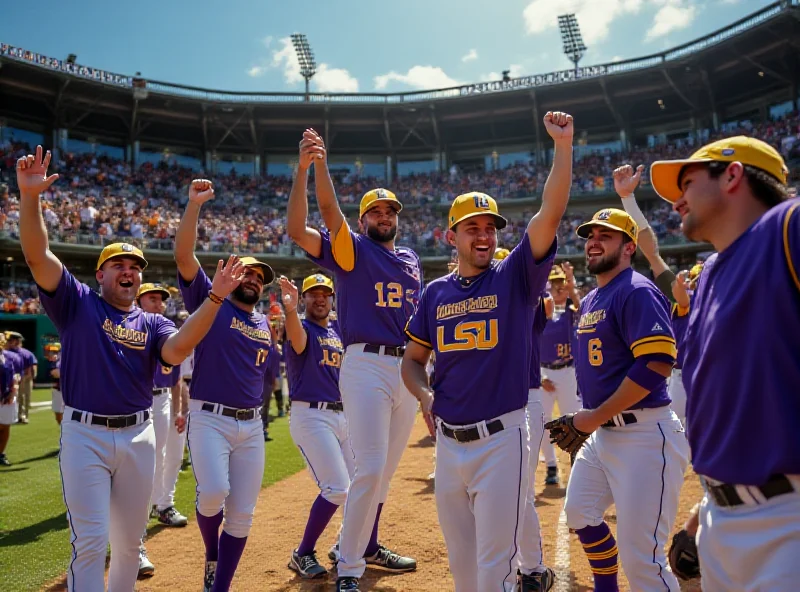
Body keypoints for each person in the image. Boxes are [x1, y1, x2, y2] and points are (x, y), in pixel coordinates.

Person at [16, 146, 243, 592]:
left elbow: (177, 351)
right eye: (118, 265)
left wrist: (214, 298)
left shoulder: (154, 321)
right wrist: (30, 198)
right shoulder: (76, 302)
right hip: (86, 434)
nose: (128, 271)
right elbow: (38, 256)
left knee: (129, 543)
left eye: (135, 267)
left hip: (140, 434)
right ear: (100, 275)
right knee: (91, 541)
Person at [402, 110, 574, 592]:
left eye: (490, 228)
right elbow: (412, 362)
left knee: (496, 567)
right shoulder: (435, 292)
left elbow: (550, 213)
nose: (484, 236)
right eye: (472, 228)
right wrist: (425, 397)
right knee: (462, 569)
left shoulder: (514, 277)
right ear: (450, 236)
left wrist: (562, 148)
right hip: (449, 445)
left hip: (502, 440)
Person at [650, 136, 800, 590]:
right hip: (722, 520)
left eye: (688, 182)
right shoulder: (712, 272)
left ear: (732, 175)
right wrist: (705, 509)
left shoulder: (787, 227)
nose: (677, 199)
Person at [286, 130, 419, 592]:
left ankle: (365, 544)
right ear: (363, 221)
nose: (383, 216)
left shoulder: (410, 258)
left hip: (408, 368)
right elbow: (316, 218)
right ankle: (349, 567)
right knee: (370, 466)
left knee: (383, 474)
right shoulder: (353, 249)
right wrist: (315, 165)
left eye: (389, 211)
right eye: (374, 211)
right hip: (365, 363)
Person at [547, 207, 689, 591]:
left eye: (605, 236)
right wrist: (591, 418)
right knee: (579, 511)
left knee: (644, 560)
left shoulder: (636, 291)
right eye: (590, 235)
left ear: (629, 247)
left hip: (645, 435)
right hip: (605, 433)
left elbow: (656, 363)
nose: (593, 241)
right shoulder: (594, 297)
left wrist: (590, 419)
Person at [175, 178, 277, 592]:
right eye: (246, 271)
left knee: (242, 514)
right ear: (233, 274)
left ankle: (220, 587)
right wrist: (194, 206)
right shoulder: (210, 299)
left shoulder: (264, 323)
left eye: (259, 276)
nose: (252, 278)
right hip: (210, 417)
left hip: (251, 425)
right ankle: (211, 554)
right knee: (214, 491)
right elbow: (183, 254)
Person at [280, 273, 353, 580]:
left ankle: (345, 545)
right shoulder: (302, 327)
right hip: (311, 415)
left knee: (364, 486)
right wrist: (289, 308)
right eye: (313, 293)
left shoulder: (336, 330)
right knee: (337, 487)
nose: (320, 298)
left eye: (325, 293)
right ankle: (303, 552)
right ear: (305, 299)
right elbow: (296, 335)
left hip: (343, 415)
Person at [611, 164, 692, 428]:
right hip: (680, 377)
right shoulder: (678, 294)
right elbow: (651, 252)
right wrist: (628, 200)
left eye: (696, 279)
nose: (691, 280)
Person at [538, 263, 582, 486]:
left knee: (573, 420)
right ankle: (552, 466)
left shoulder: (571, 312)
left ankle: (577, 463)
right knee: (543, 422)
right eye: (554, 283)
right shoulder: (539, 312)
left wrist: (572, 285)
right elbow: (528, 345)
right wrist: (537, 375)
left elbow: (582, 306)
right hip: (544, 372)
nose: (558, 288)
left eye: (561, 283)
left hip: (567, 371)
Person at [4, 331, 36, 424]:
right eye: (8, 340)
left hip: (24, 378)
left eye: (11, 340)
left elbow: (32, 367)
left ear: (17, 341)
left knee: (23, 398)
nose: (8, 342)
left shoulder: (26, 353)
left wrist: (29, 378)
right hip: (8, 378)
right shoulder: (5, 352)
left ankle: (23, 416)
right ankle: (14, 416)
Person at [0, 332, 21, 466]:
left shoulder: (10, 357)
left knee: (5, 426)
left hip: (7, 397)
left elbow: (16, 376)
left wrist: (13, 391)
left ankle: (1, 454)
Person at [45, 343, 64, 424]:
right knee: (58, 413)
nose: (50, 353)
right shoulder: (53, 363)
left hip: (69, 390)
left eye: (53, 351)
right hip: (58, 389)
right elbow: (55, 373)